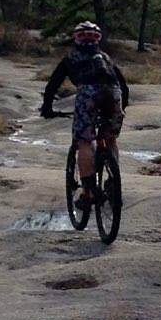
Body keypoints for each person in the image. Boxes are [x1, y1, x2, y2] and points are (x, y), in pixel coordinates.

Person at [40, 19, 130, 211]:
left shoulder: (71, 57)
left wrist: (47, 108)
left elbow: (53, 84)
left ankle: (88, 193)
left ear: (76, 39)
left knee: (84, 142)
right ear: (98, 39)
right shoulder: (106, 57)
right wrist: (123, 107)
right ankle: (113, 182)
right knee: (110, 138)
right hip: (114, 94)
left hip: (88, 94)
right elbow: (123, 86)